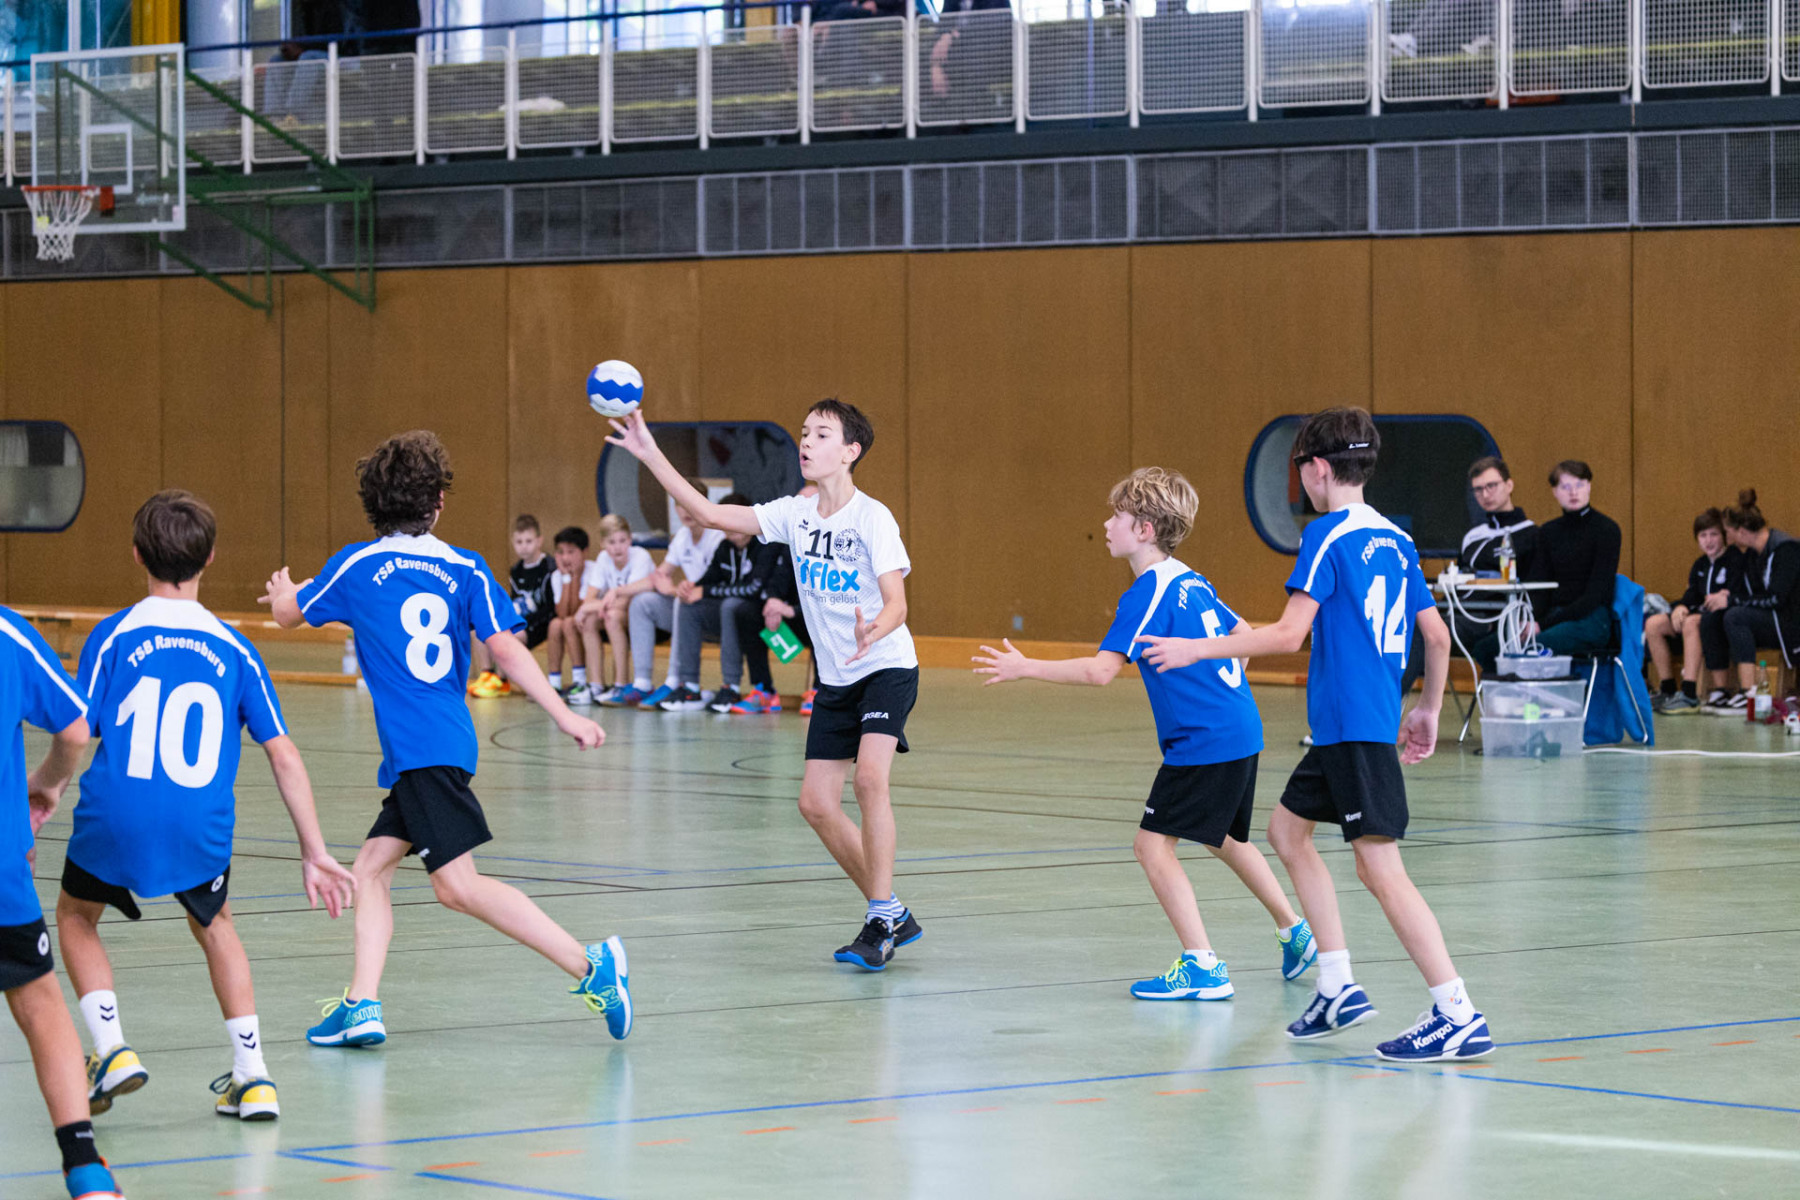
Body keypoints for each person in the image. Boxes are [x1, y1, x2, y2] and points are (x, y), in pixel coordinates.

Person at [1136, 407, 1493, 1062]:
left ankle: (1456, 1011)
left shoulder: (1327, 536)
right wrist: (1427, 709)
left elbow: (1286, 634)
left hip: (1353, 728)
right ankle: (1336, 985)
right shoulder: (1396, 539)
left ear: (1318, 469)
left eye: (1299, 469)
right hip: (1350, 727)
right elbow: (1437, 637)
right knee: (1286, 831)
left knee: (1381, 870)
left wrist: (1195, 649)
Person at [259, 430, 632, 1044]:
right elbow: (506, 648)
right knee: (370, 871)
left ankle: (592, 966)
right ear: (438, 502)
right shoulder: (465, 567)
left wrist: (280, 593)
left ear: (373, 505)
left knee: (457, 887)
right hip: (440, 747)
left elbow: (287, 614)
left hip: (422, 751)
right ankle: (361, 1004)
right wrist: (563, 713)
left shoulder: (356, 565)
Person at [56, 490, 356, 1123]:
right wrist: (315, 851)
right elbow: (283, 753)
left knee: (77, 916)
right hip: (200, 826)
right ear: (211, 557)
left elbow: (78, 732)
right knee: (216, 925)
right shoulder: (236, 648)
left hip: (118, 813)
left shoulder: (112, 635)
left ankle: (110, 1047)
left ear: (137, 554)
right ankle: (254, 1075)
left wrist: (46, 788)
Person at [973, 467, 1316, 1000]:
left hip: (1204, 740)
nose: (1107, 524)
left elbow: (1100, 672)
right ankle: (1295, 931)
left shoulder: (1146, 592)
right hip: (1241, 728)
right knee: (1226, 837)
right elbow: (1245, 636)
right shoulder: (1191, 580)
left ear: (1145, 529)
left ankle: (1202, 965)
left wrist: (1025, 667)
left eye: (1118, 515)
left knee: (1151, 846)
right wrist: (1216, 689)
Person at [605, 400, 922, 971]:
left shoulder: (872, 518)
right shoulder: (792, 515)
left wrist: (875, 627)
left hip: (885, 666)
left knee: (869, 780)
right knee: (815, 804)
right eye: (804, 433)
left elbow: (897, 603)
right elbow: (706, 512)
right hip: (836, 679)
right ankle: (893, 909)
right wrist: (649, 452)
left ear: (850, 451)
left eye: (821, 434)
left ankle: (879, 919)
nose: (806, 442)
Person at [0, 608, 128, 1198]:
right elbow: (76, 729)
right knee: (39, 1002)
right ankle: (85, 1168)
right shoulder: (8, 633)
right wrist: (48, 782)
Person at [1400, 454, 1538, 693]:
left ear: (1509, 485)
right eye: (1478, 489)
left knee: (1423, 633)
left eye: (1491, 486)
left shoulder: (1530, 534)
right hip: (1455, 611)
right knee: (1404, 624)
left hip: (1490, 619)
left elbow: (1533, 584)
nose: (1485, 494)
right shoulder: (1473, 536)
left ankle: (1390, 705)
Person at [1469, 460, 1620, 673]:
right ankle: (1508, 693)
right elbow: (1538, 586)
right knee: (1486, 648)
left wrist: (1542, 625)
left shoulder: (1607, 530)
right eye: (1565, 487)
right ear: (1555, 492)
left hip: (1591, 618)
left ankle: (1536, 692)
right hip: (1551, 616)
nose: (1573, 492)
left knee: (1535, 647)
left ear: (1589, 486)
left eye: (1579, 485)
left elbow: (1595, 596)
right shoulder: (1548, 532)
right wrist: (1526, 620)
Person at [600, 498, 722, 711]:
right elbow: (656, 578)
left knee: (681, 602)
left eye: (691, 505)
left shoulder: (717, 537)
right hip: (689, 606)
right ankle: (642, 683)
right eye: (682, 506)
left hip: (713, 610)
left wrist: (673, 590)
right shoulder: (682, 537)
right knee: (642, 602)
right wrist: (618, 590)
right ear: (676, 509)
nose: (687, 511)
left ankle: (674, 681)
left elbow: (713, 587)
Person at [1699, 489, 1799, 715]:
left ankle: (1748, 693)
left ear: (1742, 532)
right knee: (1713, 616)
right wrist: (1724, 597)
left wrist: (1731, 600)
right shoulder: (1753, 555)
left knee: (1736, 616)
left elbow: (1776, 598)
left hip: (1790, 622)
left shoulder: (1786, 550)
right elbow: (1748, 593)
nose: (1729, 538)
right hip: (1771, 619)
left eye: (1729, 533)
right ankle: (1721, 690)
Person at [659, 495, 762, 713]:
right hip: (728, 618)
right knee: (689, 604)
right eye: (727, 520)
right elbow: (708, 580)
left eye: (736, 519)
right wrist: (690, 587)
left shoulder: (764, 545)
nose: (731, 526)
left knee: (730, 605)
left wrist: (704, 590)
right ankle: (689, 686)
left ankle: (731, 687)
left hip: (761, 619)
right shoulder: (724, 547)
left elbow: (754, 589)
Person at [728, 486, 821, 715]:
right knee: (747, 613)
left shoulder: (829, 545)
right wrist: (772, 601)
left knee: (822, 623)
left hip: (816, 618)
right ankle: (764, 691)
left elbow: (831, 600)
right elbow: (778, 577)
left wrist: (792, 610)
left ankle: (820, 692)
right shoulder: (788, 541)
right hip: (790, 617)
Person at [1647, 508, 1741, 715]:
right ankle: (1668, 688)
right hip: (1700, 616)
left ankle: (1689, 693)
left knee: (1692, 622)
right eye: (1703, 535)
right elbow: (1691, 596)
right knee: (1653, 624)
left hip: (1720, 622)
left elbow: (1736, 594)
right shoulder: (1700, 565)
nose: (1709, 541)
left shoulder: (1734, 559)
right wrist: (1680, 608)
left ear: (1724, 536)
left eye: (1714, 534)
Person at [469, 515, 554, 700]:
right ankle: (487, 674)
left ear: (539, 541)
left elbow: (550, 608)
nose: (524, 546)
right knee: (478, 629)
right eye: (519, 542)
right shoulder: (516, 570)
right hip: (520, 619)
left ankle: (502, 680)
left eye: (529, 541)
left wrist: (521, 622)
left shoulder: (548, 567)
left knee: (508, 636)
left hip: (540, 624)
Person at [580, 515, 655, 707]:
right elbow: (589, 599)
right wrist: (587, 608)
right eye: (611, 542)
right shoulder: (603, 559)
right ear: (603, 544)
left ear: (630, 540)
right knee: (588, 620)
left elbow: (625, 602)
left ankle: (621, 684)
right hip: (617, 612)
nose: (618, 547)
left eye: (622, 541)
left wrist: (590, 607)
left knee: (612, 617)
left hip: (645, 618)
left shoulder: (641, 557)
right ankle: (596, 685)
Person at [545, 526, 597, 702]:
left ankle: (580, 681)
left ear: (585, 552)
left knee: (568, 623)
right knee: (555, 624)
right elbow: (562, 613)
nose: (565, 558)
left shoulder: (593, 570)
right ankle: (554, 683)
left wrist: (574, 577)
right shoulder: (557, 575)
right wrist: (567, 578)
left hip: (595, 619)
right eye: (560, 552)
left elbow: (576, 609)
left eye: (571, 552)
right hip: (575, 619)